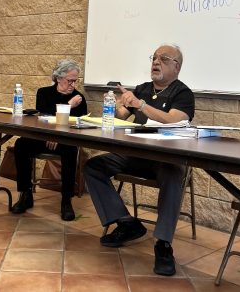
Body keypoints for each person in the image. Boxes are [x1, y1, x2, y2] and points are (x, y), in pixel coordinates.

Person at [84, 44, 195, 276]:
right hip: (135, 155)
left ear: (176, 66)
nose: (156, 62)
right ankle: (126, 223)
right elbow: (121, 117)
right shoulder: (142, 88)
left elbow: (172, 120)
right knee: (94, 166)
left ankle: (163, 244)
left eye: (163, 58)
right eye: (154, 58)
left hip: (165, 160)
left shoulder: (182, 93)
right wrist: (116, 105)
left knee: (175, 173)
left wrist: (141, 105)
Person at [12, 59, 88, 221]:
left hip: (64, 140)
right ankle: (25, 194)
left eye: (75, 81)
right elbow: (43, 115)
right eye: (70, 80)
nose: (73, 84)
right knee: (21, 144)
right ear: (58, 78)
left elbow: (79, 124)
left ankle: (66, 200)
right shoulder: (44, 93)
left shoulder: (79, 98)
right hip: (44, 137)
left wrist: (58, 135)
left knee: (70, 149)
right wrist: (68, 105)